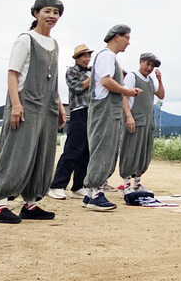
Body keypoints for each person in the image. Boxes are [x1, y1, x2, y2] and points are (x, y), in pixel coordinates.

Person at [0, 0, 68, 223]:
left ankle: (31, 203)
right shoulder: (26, 40)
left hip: (48, 106)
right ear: (35, 13)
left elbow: (54, 80)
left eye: (56, 13)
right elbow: (13, 73)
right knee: (18, 151)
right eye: (47, 11)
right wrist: (16, 104)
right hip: (26, 103)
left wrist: (60, 106)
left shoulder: (55, 44)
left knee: (42, 154)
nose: (52, 16)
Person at [82, 24, 142, 212]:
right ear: (117, 36)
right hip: (104, 110)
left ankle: (91, 193)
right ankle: (96, 191)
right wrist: (127, 91)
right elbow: (106, 81)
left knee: (106, 149)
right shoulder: (107, 56)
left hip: (109, 109)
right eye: (127, 38)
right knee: (103, 149)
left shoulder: (111, 58)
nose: (128, 42)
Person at [48, 44, 94, 200]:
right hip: (78, 111)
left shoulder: (92, 71)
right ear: (77, 58)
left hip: (92, 112)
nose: (87, 59)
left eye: (88, 56)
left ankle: (78, 186)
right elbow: (78, 87)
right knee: (73, 149)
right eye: (84, 56)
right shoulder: (71, 71)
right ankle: (57, 185)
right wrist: (94, 77)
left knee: (87, 151)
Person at [119, 53, 165, 194]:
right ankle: (126, 184)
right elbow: (124, 96)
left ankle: (137, 183)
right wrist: (128, 116)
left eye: (152, 66)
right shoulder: (132, 76)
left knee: (144, 152)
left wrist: (159, 80)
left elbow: (161, 95)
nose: (149, 68)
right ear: (141, 62)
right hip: (135, 118)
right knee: (130, 150)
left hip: (147, 120)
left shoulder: (150, 80)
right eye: (148, 64)